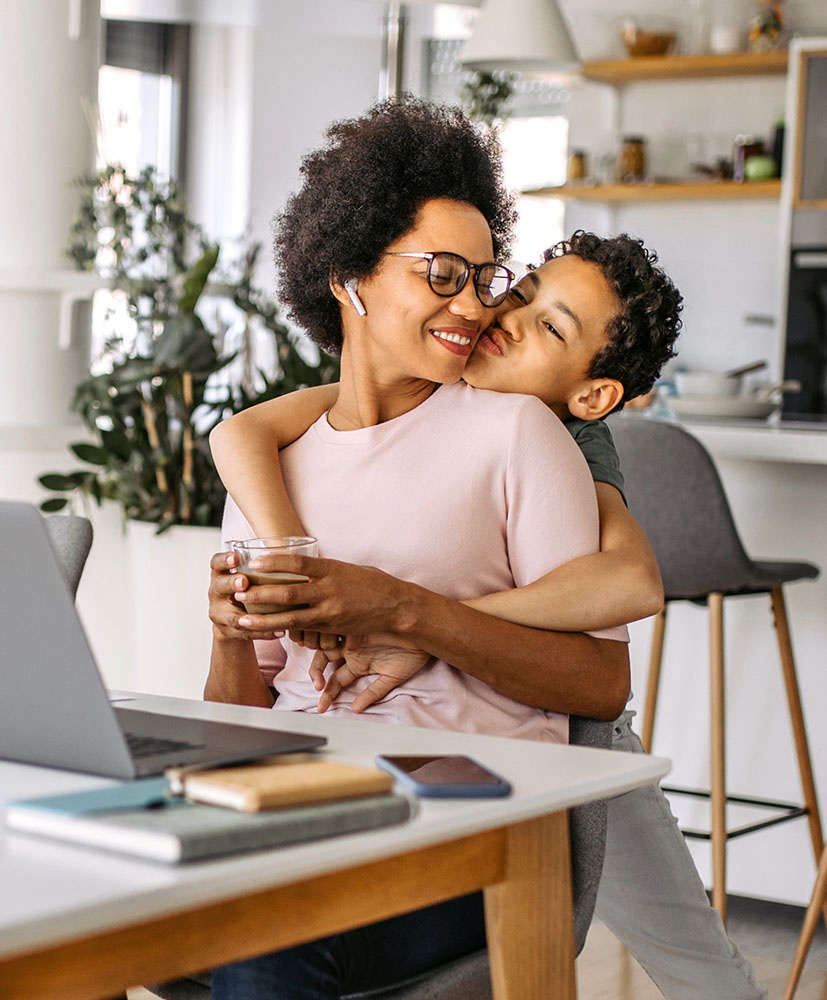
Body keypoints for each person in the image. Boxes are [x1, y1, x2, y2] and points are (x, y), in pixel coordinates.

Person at [206, 99, 766, 999]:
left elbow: (628, 587)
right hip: (316, 794)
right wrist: (255, 595)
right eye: (498, 288)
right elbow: (240, 435)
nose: (488, 312)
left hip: (508, 781)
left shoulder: (546, 437)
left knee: (693, 960)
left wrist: (408, 615)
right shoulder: (291, 451)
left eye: (486, 282)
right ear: (349, 275)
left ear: (590, 394)